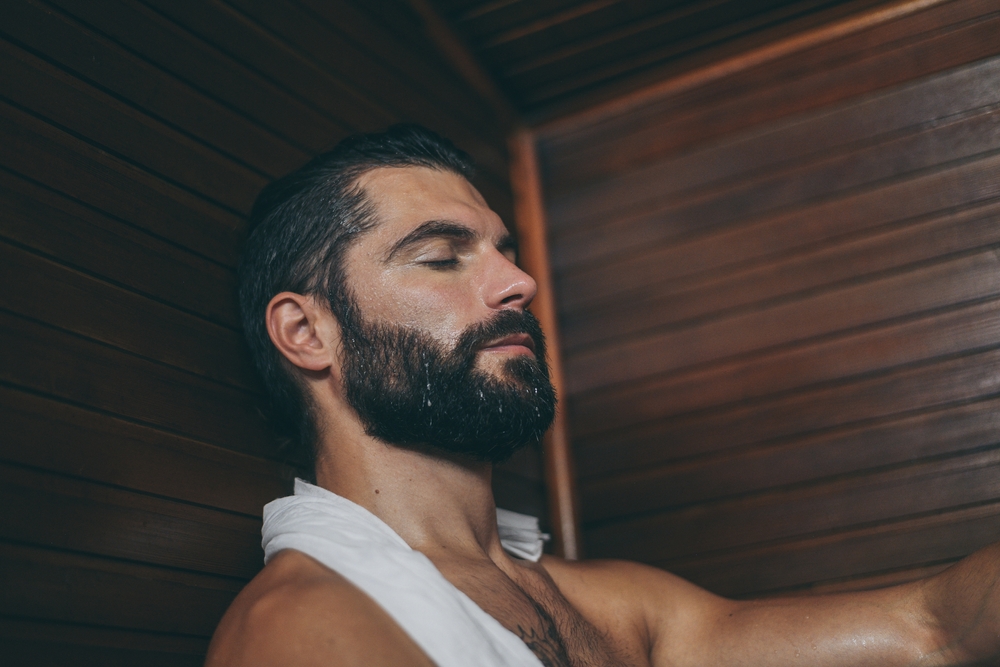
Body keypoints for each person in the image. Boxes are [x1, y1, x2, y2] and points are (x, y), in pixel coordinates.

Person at [206, 124, 1000, 666]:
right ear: (308, 333)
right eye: (443, 257)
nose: (519, 283)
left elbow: (933, 628)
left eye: (504, 252)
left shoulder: (606, 602)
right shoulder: (307, 628)